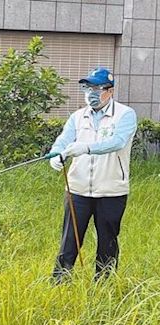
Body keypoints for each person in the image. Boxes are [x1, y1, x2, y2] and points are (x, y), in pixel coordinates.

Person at [48, 67, 137, 283]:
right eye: (87, 88)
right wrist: (56, 154)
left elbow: (117, 142)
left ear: (110, 91)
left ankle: (103, 286)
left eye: (97, 88)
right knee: (69, 239)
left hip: (111, 190)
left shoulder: (125, 115)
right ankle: (60, 282)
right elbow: (64, 140)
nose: (91, 93)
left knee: (107, 241)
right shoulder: (78, 116)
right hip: (77, 189)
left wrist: (85, 148)